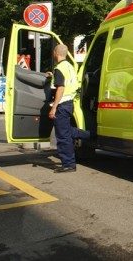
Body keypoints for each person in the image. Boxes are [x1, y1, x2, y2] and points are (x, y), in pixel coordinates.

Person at [47, 44, 91, 173]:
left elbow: (61, 88)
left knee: (63, 136)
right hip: (69, 104)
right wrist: (52, 75)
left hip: (62, 104)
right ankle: (89, 135)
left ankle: (69, 164)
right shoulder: (69, 67)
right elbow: (67, 82)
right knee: (66, 130)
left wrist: (54, 107)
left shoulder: (59, 68)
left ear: (56, 53)